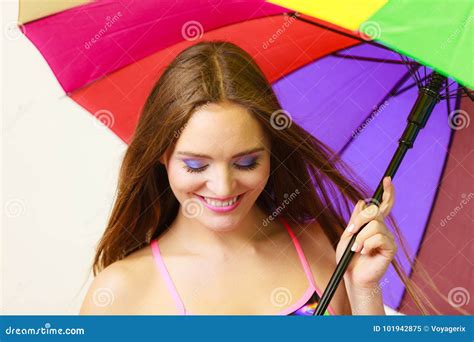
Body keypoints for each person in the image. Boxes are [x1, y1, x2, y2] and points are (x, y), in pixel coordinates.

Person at [80, 41, 399, 315]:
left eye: (246, 162)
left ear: (271, 153)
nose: (223, 187)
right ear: (162, 156)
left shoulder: (324, 248)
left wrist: (364, 291)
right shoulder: (120, 294)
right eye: (195, 165)